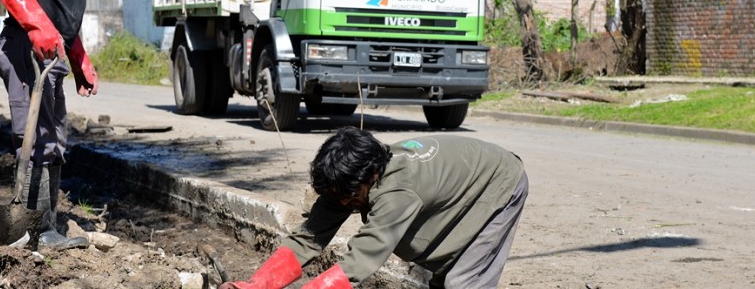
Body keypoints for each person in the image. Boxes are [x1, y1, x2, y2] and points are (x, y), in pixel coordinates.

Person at [221, 126, 529, 289]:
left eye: (348, 196)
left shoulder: (398, 190)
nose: (343, 203)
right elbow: (308, 237)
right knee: (445, 277)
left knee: (462, 282)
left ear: (371, 175)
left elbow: (361, 260)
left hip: (498, 184)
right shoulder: (351, 179)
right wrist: (256, 284)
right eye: (337, 196)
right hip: (463, 180)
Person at [0, 0, 121, 250]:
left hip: (50, 54)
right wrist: (36, 27)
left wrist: (78, 57)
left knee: (55, 139)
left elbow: (61, 15)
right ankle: (34, 230)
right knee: (36, 138)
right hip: (24, 47)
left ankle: (46, 224)